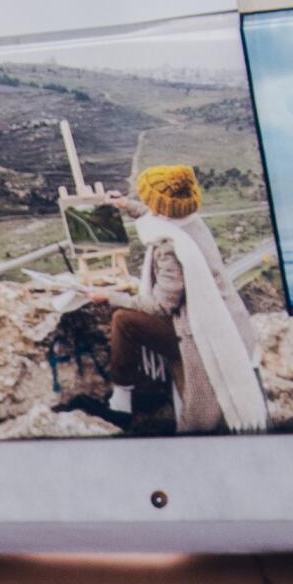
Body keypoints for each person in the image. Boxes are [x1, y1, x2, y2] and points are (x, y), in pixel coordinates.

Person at [100, 163, 269, 436]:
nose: (145, 202)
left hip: (196, 331)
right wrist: (125, 205)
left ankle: (121, 401)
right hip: (230, 323)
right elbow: (154, 213)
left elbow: (161, 306)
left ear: (160, 206)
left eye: (147, 198)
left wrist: (110, 297)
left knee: (123, 320)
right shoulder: (190, 221)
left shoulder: (169, 246)